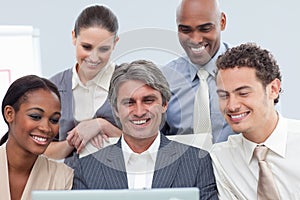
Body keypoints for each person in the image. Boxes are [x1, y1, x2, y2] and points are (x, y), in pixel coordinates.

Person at [72, 60, 218, 200]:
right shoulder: (86, 168)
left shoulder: (197, 162)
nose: (139, 111)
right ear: (116, 109)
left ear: (164, 104)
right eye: (129, 102)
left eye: (148, 100)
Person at [210, 43, 300, 199]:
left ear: (273, 89)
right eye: (224, 96)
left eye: (243, 93)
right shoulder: (220, 159)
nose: (232, 106)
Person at [44, 5, 122, 168]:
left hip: (123, 182)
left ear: (115, 43)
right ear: (74, 37)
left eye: (104, 49)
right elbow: (41, 148)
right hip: (71, 184)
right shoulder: (53, 88)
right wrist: (76, 138)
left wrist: (102, 125)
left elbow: (148, 142)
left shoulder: (131, 83)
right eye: (86, 47)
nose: (94, 57)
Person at [160, 0, 236, 148]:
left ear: (222, 22)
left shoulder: (248, 70)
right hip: (184, 168)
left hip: (237, 167)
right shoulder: (165, 79)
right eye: (186, 30)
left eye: (205, 29)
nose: (195, 40)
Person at [0, 75, 73, 200]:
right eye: (35, 116)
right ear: (9, 114)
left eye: (54, 120)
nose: (46, 128)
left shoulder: (62, 176)